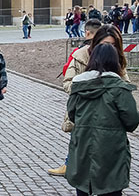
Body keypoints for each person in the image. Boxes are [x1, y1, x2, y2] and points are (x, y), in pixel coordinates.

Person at [66, 43, 139, 196]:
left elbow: (72, 114)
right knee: (111, 188)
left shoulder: (78, 86)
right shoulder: (120, 89)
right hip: (111, 148)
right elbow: (132, 120)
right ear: (115, 62)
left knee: (83, 185)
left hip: (82, 145)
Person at [48, 18, 104, 176]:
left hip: (100, 110)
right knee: (78, 139)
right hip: (82, 108)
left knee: (87, 142)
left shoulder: (110, 54)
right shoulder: (79, 54)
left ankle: (75, 167)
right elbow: (67, 83)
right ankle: (70, 165)